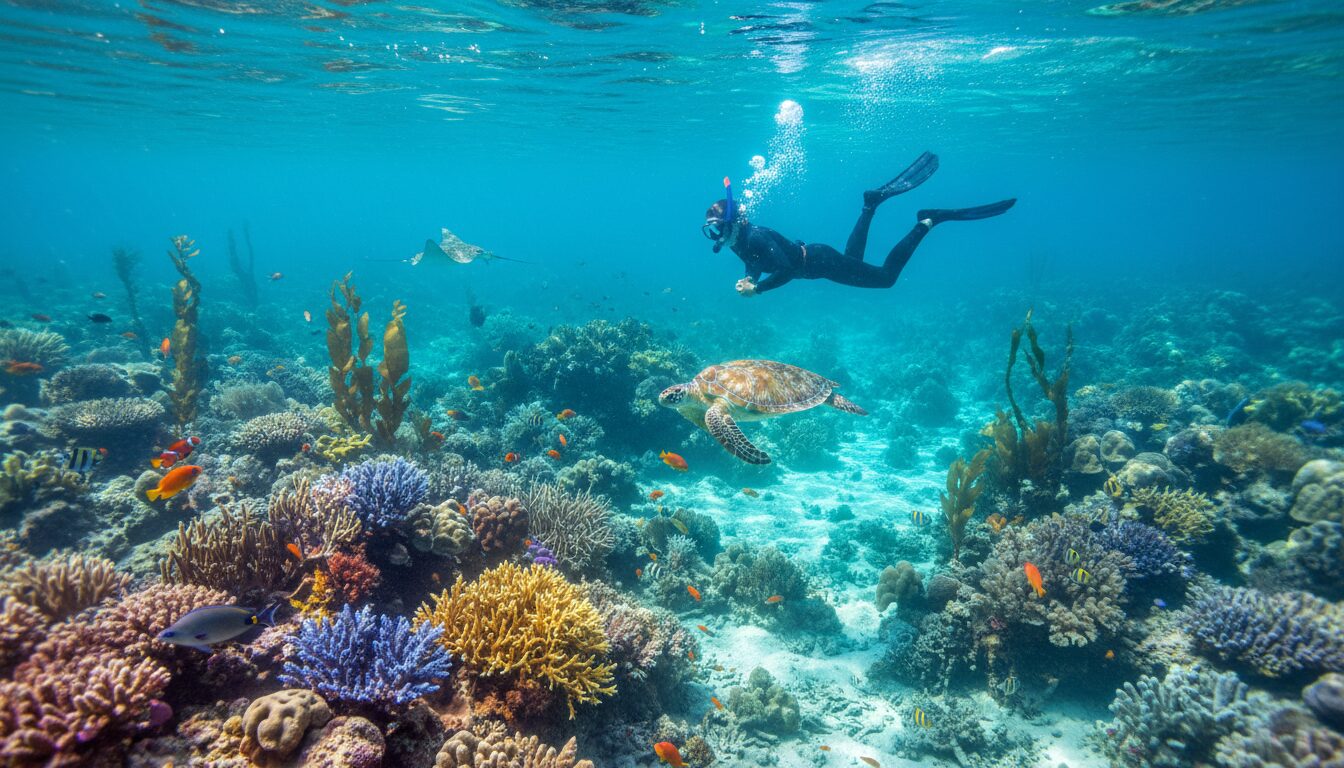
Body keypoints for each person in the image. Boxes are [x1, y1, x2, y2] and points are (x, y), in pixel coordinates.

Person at [702, 152, 1015, 296]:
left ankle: (928, 222)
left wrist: (759, 290)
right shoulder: (738, 242)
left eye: (718, 228)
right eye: (712, 230)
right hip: (818, 261)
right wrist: (749, 279)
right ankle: (870, 204)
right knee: (855, 261)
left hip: (819, 261)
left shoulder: (754, 237)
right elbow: (754, 263)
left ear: (734, 223)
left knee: (885, 279)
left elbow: (783, 269)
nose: (716, 236)